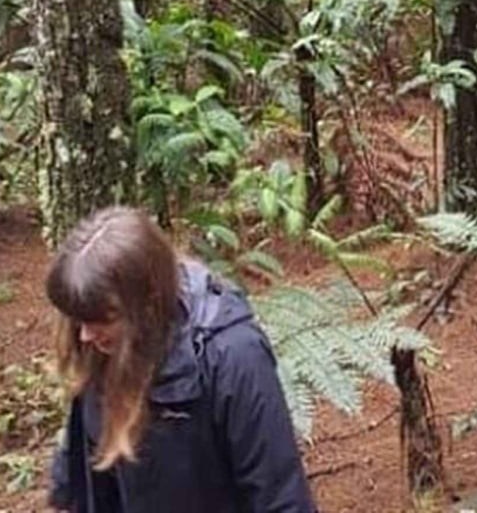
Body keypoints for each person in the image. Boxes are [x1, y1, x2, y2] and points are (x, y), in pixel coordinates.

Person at [46, 206, 316, 513]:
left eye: (100, 321)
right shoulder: (100, 347)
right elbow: (83, 483)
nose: (84, 336)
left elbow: (280, 496)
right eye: (80, 321)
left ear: (148, 302)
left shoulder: (232, 356)